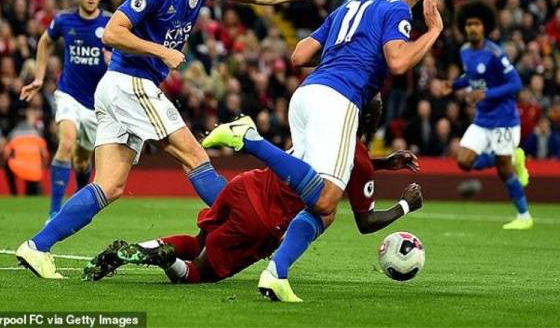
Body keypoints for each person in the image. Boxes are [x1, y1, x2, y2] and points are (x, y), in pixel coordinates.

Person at [16, 0, 344, 279]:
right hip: (131, 83)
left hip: (116, 88)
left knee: (109, 185)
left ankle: (37, 247)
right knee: (194, 155)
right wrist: (160, 51)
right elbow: (112, 32)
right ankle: (247, 227)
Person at [208, 0, 441, 302]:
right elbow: (398, 61)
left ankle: (276, 274)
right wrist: (434, 29)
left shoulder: (351, 3)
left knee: (324, 209)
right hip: (340, 98)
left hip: (306, 95)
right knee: (328, 196)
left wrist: (342, 50)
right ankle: (248, 137)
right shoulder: (397, 9)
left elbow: (299, 55)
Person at [83, 100, 423, 289]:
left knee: (201, 241)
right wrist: (406, 204)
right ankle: (168, 259)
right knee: (202, 273)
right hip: (263, 220)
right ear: (373, 123)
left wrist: (382, 163)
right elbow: (365, 220)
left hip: (245, 185)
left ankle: (143, 248)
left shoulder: (319, 126)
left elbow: (340, 164)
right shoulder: (356, 156)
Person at [19, 0, 112, 219]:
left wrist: (113, 60)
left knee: (82, 162)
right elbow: (45, 41)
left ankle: (81, 205)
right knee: (66, 143)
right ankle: (54, 212)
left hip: (97, 104)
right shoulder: (64, 20)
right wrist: (39, 77)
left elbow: (127, 56)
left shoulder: (112, 24)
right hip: (68, 94)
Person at [436, 0, 532, 230]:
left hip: (505, 120)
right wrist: (455, 85)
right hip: (483, 119)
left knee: (504, 170)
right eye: (469, 24)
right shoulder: (465, 51)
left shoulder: (495, 52)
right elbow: (471, 77)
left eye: (477, 24)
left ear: (485, 26)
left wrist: (486, 94)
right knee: (464, 161)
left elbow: (515, 83)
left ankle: (524, 216)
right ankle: (511, 156)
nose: (472, 28)